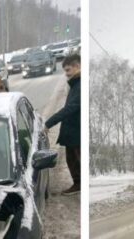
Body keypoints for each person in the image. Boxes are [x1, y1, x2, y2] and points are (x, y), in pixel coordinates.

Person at [44, 53, 81, 195]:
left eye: (68, 70)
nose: (66, 74)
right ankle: (78, 184)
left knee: (75, 161)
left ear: (78, 66)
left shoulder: (79, 85)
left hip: (76, 133)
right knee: (72, 160)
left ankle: (79, 185)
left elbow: (70, 108)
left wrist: (49, 123)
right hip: (73, 133)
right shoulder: (75, 84)